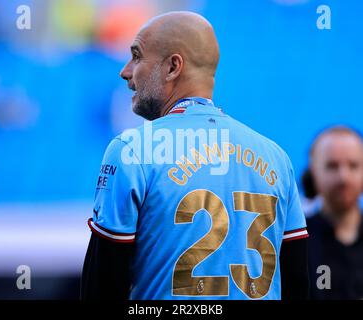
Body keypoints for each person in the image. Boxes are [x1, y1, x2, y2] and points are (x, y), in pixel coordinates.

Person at [81, 11, 309, 300]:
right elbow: (298, 284)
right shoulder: (276, 158)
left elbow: (102, 286)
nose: (125, 71)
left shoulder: (131, 150)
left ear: (173, 67)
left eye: (136, 56)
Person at [305, 126, 363, 299]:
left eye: (353, 166)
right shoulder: (296, 242)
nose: (343, 177)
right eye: (332, 166)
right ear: (312, 172)